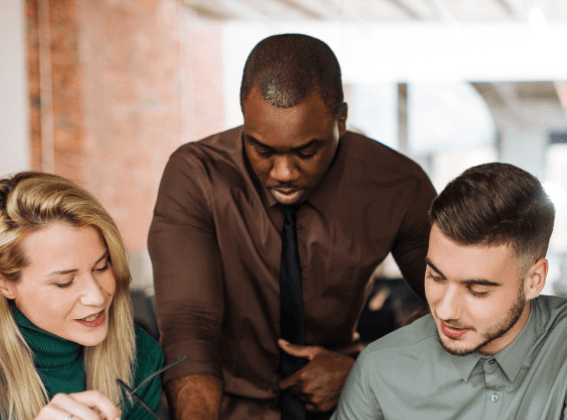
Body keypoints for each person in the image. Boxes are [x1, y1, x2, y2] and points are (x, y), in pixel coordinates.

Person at [148, 33, 436, 420]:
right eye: (262, 150)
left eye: (307, 151)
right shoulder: (196, 175)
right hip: (224, 406)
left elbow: (457, 303)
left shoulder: (397, 183)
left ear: (342, 120)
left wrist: (370, 369)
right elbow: (190, 326)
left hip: (351, 401)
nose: (283, 173)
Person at [333, 162, 567, 420]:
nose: (445, 310)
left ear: (534, 280)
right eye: (436, 277)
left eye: (476, 290)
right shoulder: (379, 367)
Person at [0, 171, 164, 420]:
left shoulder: (140, 355)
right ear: (3, 283)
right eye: (64, 282)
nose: (96, 297)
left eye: (102, 267)